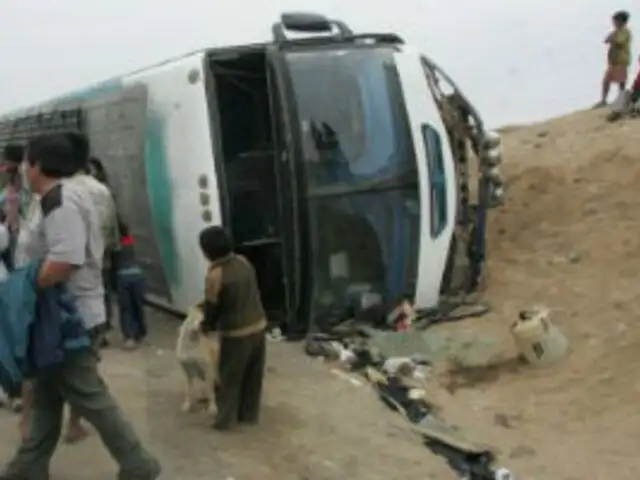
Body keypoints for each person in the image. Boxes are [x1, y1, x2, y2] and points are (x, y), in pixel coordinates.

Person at [0, 134, 161, 480]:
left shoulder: (61, 202)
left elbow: (64, 262)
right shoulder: (55, 197)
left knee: (88, 395)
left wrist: (20, 286)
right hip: (55, 315)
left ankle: (138, 463)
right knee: (45, 394)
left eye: (28, 161)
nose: (25, 169)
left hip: (66, 318)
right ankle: (29, 465)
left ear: (38, 165)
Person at [199, 225, 267, 430]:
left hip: (236, 333)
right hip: (259, 326)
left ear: (207, 251)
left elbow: (213, 308)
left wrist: (205, 326)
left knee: (229, 377)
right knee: (253, 375)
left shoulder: (215, 275)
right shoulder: (243, 262)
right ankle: (249, 415)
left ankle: (224, 421)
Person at [115, 218, 148, 349]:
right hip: (138, 276)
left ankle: (129, 337)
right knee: (138, 306)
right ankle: (141, 333)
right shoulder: (133, 241)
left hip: (123, 278)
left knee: (125, 308)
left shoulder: (116, 245)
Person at [598, 10, 632, 107]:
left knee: (621, 81)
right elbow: (606, 40)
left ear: (621, 21)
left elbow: (620, 41)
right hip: (614, 61)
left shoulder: (625, 32)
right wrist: (610, 38)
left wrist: (612, 39)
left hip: (621, 61)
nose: (614, 23)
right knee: (607, 80)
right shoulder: (616, 32)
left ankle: (621, 100)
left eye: (615, 21)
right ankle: (604, 100)